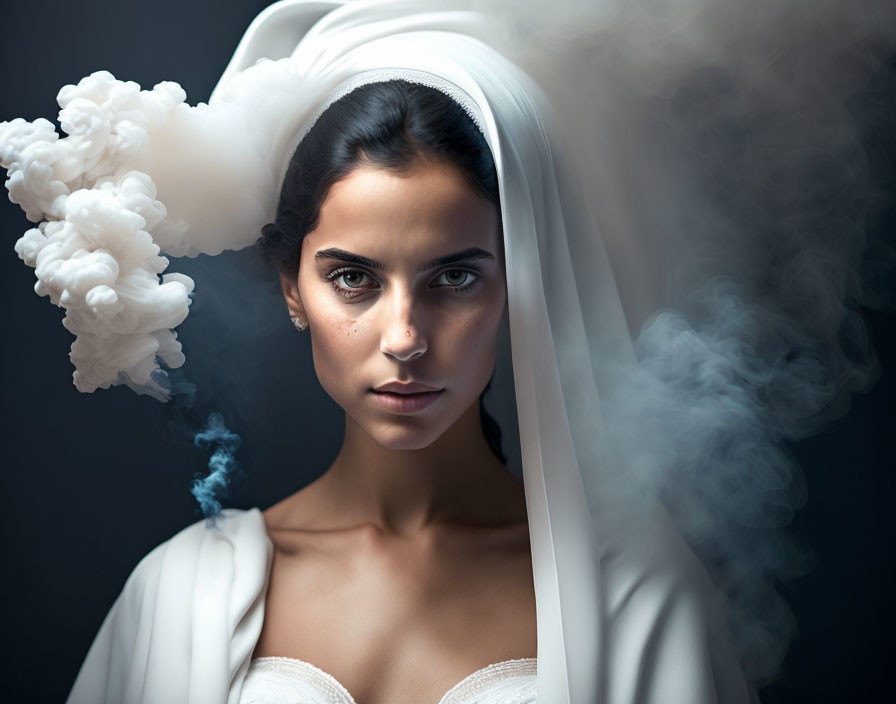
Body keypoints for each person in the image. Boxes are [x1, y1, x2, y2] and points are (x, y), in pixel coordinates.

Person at [9, 0, 889, 702]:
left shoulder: (636, 604)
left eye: (456, 278)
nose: (404, 338)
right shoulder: (179, 600)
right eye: (353, 277)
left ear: (523, 281)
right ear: (290, 287)